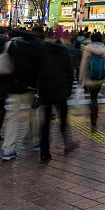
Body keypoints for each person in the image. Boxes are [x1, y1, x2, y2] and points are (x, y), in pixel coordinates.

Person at [2, 27, 44, 161]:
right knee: (34, 114)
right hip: (31, 88)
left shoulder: (12, 45)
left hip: (14, 87)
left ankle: (7, 150)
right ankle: (36, 142)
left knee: (13, 118)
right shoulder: (38, 46)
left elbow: (7, 64)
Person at [37, 32, 76, 163]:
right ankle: (67, 144)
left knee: (46, 122)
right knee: (63, 119)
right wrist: (69, 89)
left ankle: (44, 152)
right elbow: (70, 72)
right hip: (61, 90)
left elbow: (37, 70)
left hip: (45, 90)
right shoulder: (64, 51)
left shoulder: (42, 50)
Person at [78, 32, 105, 128]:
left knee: (92, 97)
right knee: (96, 97)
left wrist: (81, 78)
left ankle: (93, 118)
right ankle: (95, 115)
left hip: (90, 77)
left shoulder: (88, 49)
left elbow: (83, 64)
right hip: (100, 77)